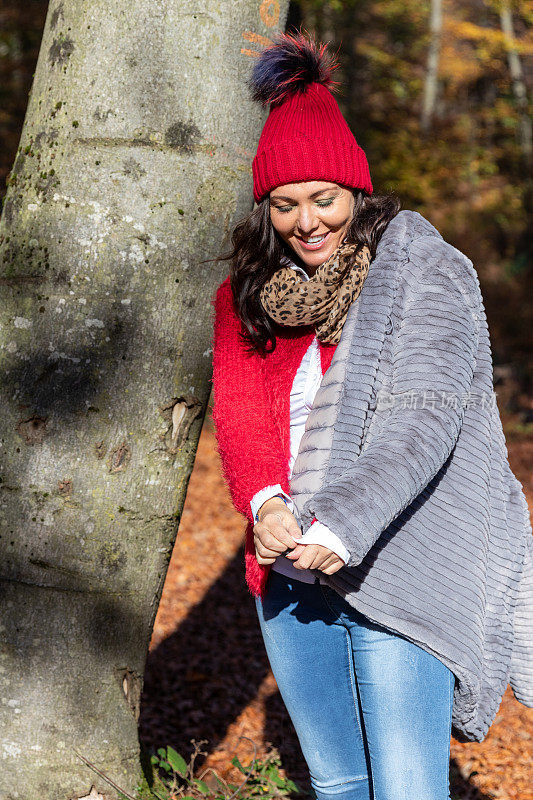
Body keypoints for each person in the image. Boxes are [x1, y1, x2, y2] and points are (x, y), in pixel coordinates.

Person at [210, 30, 533, 800]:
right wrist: (264, 504)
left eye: (323, 199)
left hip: (394, 559)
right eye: (284, 205)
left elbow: (423, 418)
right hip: (290, 571)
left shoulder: (424, 274)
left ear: (356, 191)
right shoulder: (248, 298)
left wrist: (343, 524)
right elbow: (242, 413)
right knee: (339, 783)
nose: (307, 222)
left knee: (406, 787)